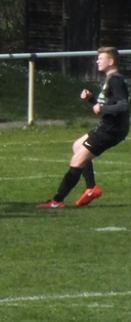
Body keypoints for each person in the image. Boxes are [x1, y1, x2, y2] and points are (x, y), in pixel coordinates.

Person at [37, 47, 129, 209]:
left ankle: (57, 201)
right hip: (109, 127)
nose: (97, 61)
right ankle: (91, 188)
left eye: (101, 58)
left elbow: (123, 105)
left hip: (111, 130)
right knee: (77, 146)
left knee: (77, 161)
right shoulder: (112, 79)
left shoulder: (115, 80)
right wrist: (91, 99)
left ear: (111, 61)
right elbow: (108, 104)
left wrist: (102, 108)